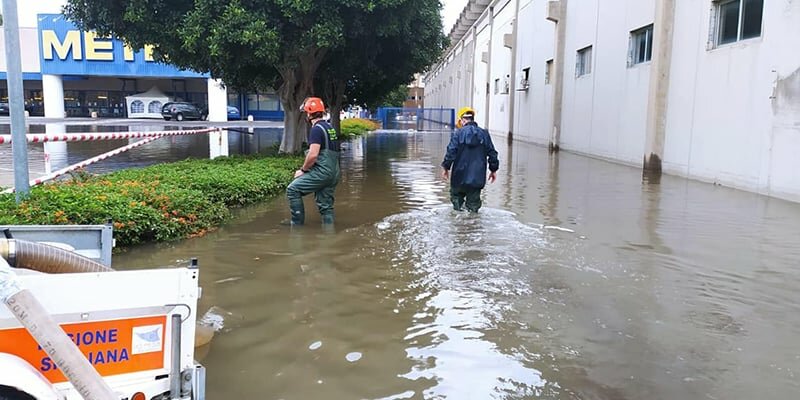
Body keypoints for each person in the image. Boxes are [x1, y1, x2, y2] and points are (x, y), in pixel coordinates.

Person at [285, 97, 341, 225]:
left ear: (309, 113)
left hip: (323, 172)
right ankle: (329, 236)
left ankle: (296, 225)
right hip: (334, 173)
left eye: (306, 112)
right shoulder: (329, 127)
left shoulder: (316, 129)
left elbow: (313, 155)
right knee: (326, 207)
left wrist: (303, 170)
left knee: (293, 189)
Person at [441, 107, 499, 213]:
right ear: (472, 119)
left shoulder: (458, 134)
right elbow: (492, 153)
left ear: (462, 120)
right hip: (477, 178)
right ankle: (472, 227)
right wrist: (493, 169)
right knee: (473, 208)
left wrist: (446, 167)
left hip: (458, 176)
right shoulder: (484, 134)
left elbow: (451, 152)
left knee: (457, 207)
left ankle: (459, 225)